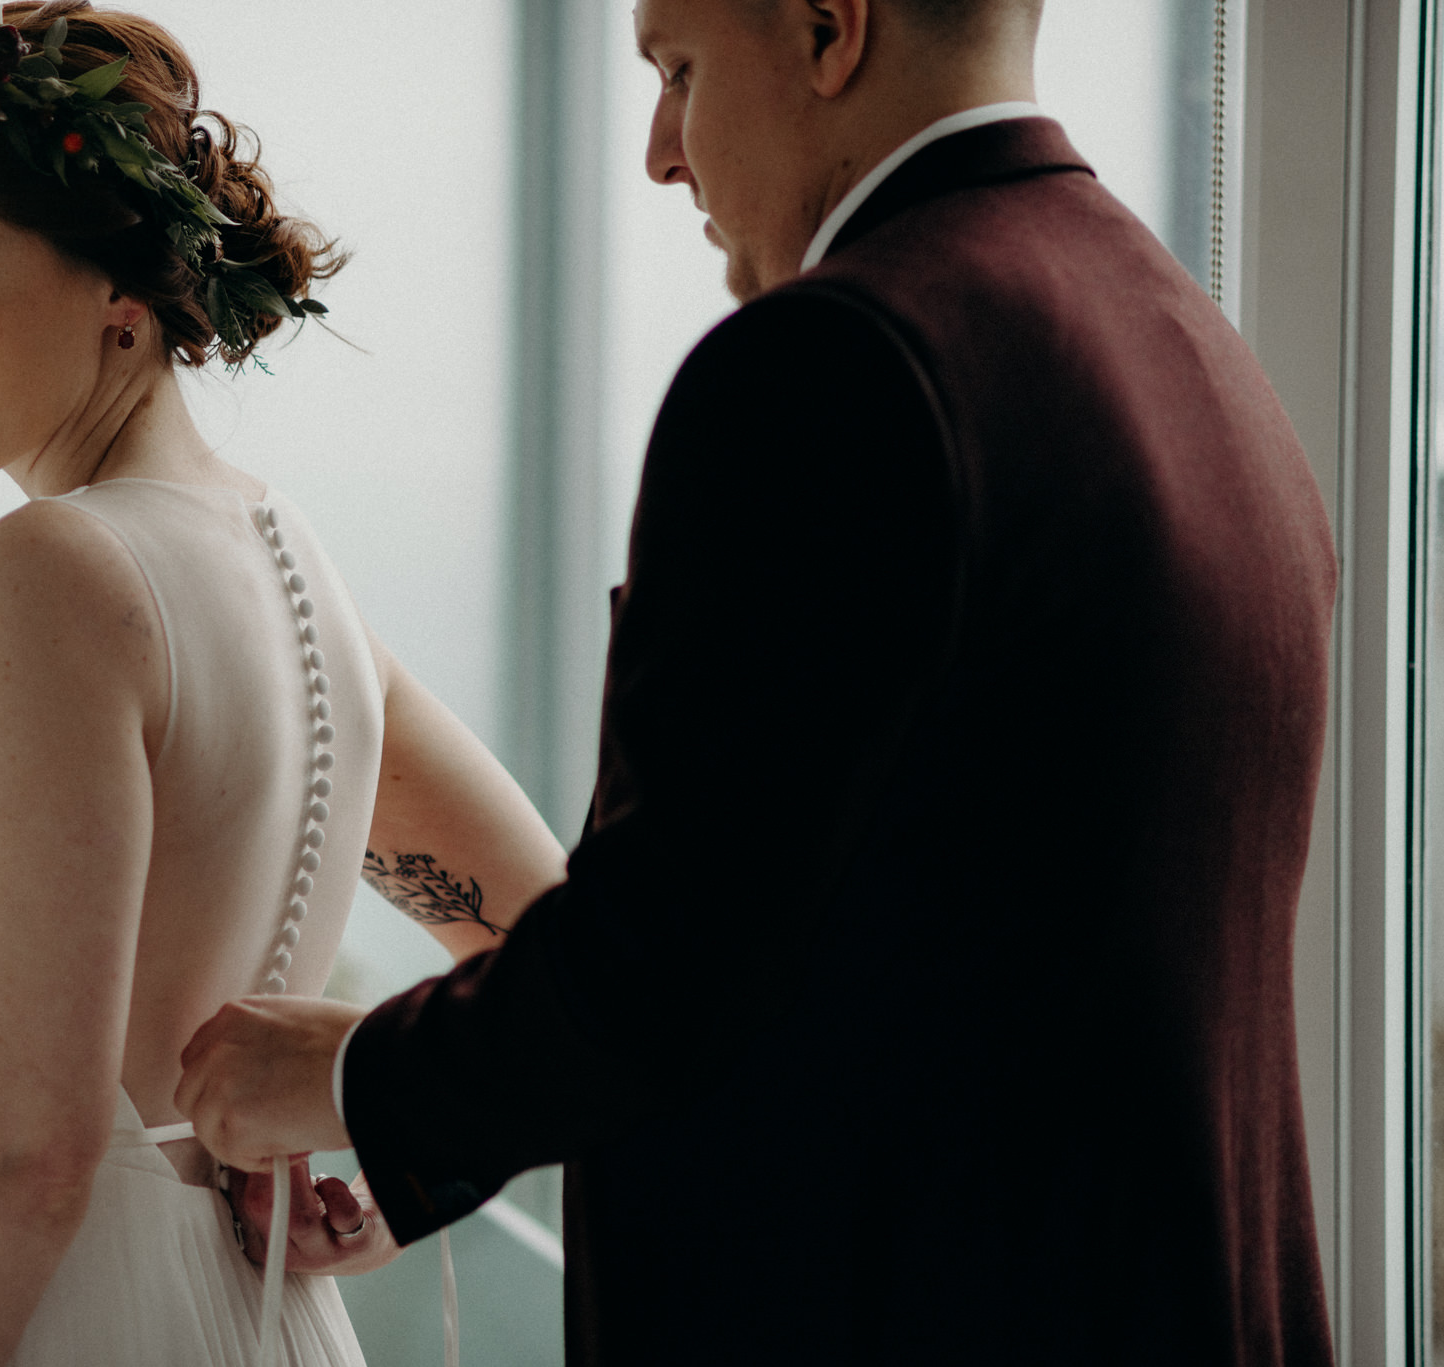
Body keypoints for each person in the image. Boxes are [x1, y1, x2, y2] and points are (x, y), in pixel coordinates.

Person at [176, 0, 1341, 1362]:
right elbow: (874, 940)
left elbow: (664, 953)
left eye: (678, 70)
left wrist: (339, 1075)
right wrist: (426, 1152)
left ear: (828, 29)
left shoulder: (838, 363)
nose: (661, 154)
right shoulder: (1198, 353)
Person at [0, 2, 563, 1363]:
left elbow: (25, 1161)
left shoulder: (49, 575)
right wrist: (411, 1165)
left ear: (125, 293)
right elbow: (556, 954)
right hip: (261, 1313)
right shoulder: (306, 586)